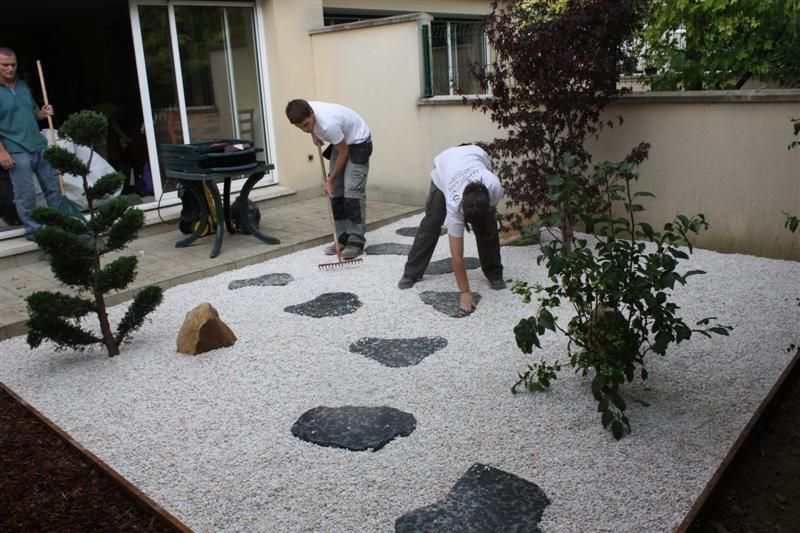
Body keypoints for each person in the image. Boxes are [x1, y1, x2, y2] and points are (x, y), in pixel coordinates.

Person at [398, 143, 505, 313]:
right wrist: (465, 292)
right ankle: (411, 272)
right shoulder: (454, 205)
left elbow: (487, 215)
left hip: (475, 155)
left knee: (487, 225)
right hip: (445, 167)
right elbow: (456, 256)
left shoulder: (494, 187)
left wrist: (482, 222)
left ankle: (494, 272)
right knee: (432, 221)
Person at [286, 99, 372, 259]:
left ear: (312, 113)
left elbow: (344, 153)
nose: (304, 129)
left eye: (306, 125)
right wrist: (313, 133)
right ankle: (342, 237)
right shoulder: (304, 109)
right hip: (341, 141)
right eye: (300, 128)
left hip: (358, 141)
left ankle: (356, 241)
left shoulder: (328, 124)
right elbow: (312, 126)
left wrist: (330, 180)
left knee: (352, 191)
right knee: (336, 193)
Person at [0, 47, 62, 240]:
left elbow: (34, 113)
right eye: (5, 65)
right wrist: (2, 152)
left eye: (13, 64)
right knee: (26, 195)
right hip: (16, 150)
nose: (10, 68)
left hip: (39, 145)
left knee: (53, 188)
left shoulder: (22, 86)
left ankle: (61, 224)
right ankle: (34, 231)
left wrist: (44, 112)